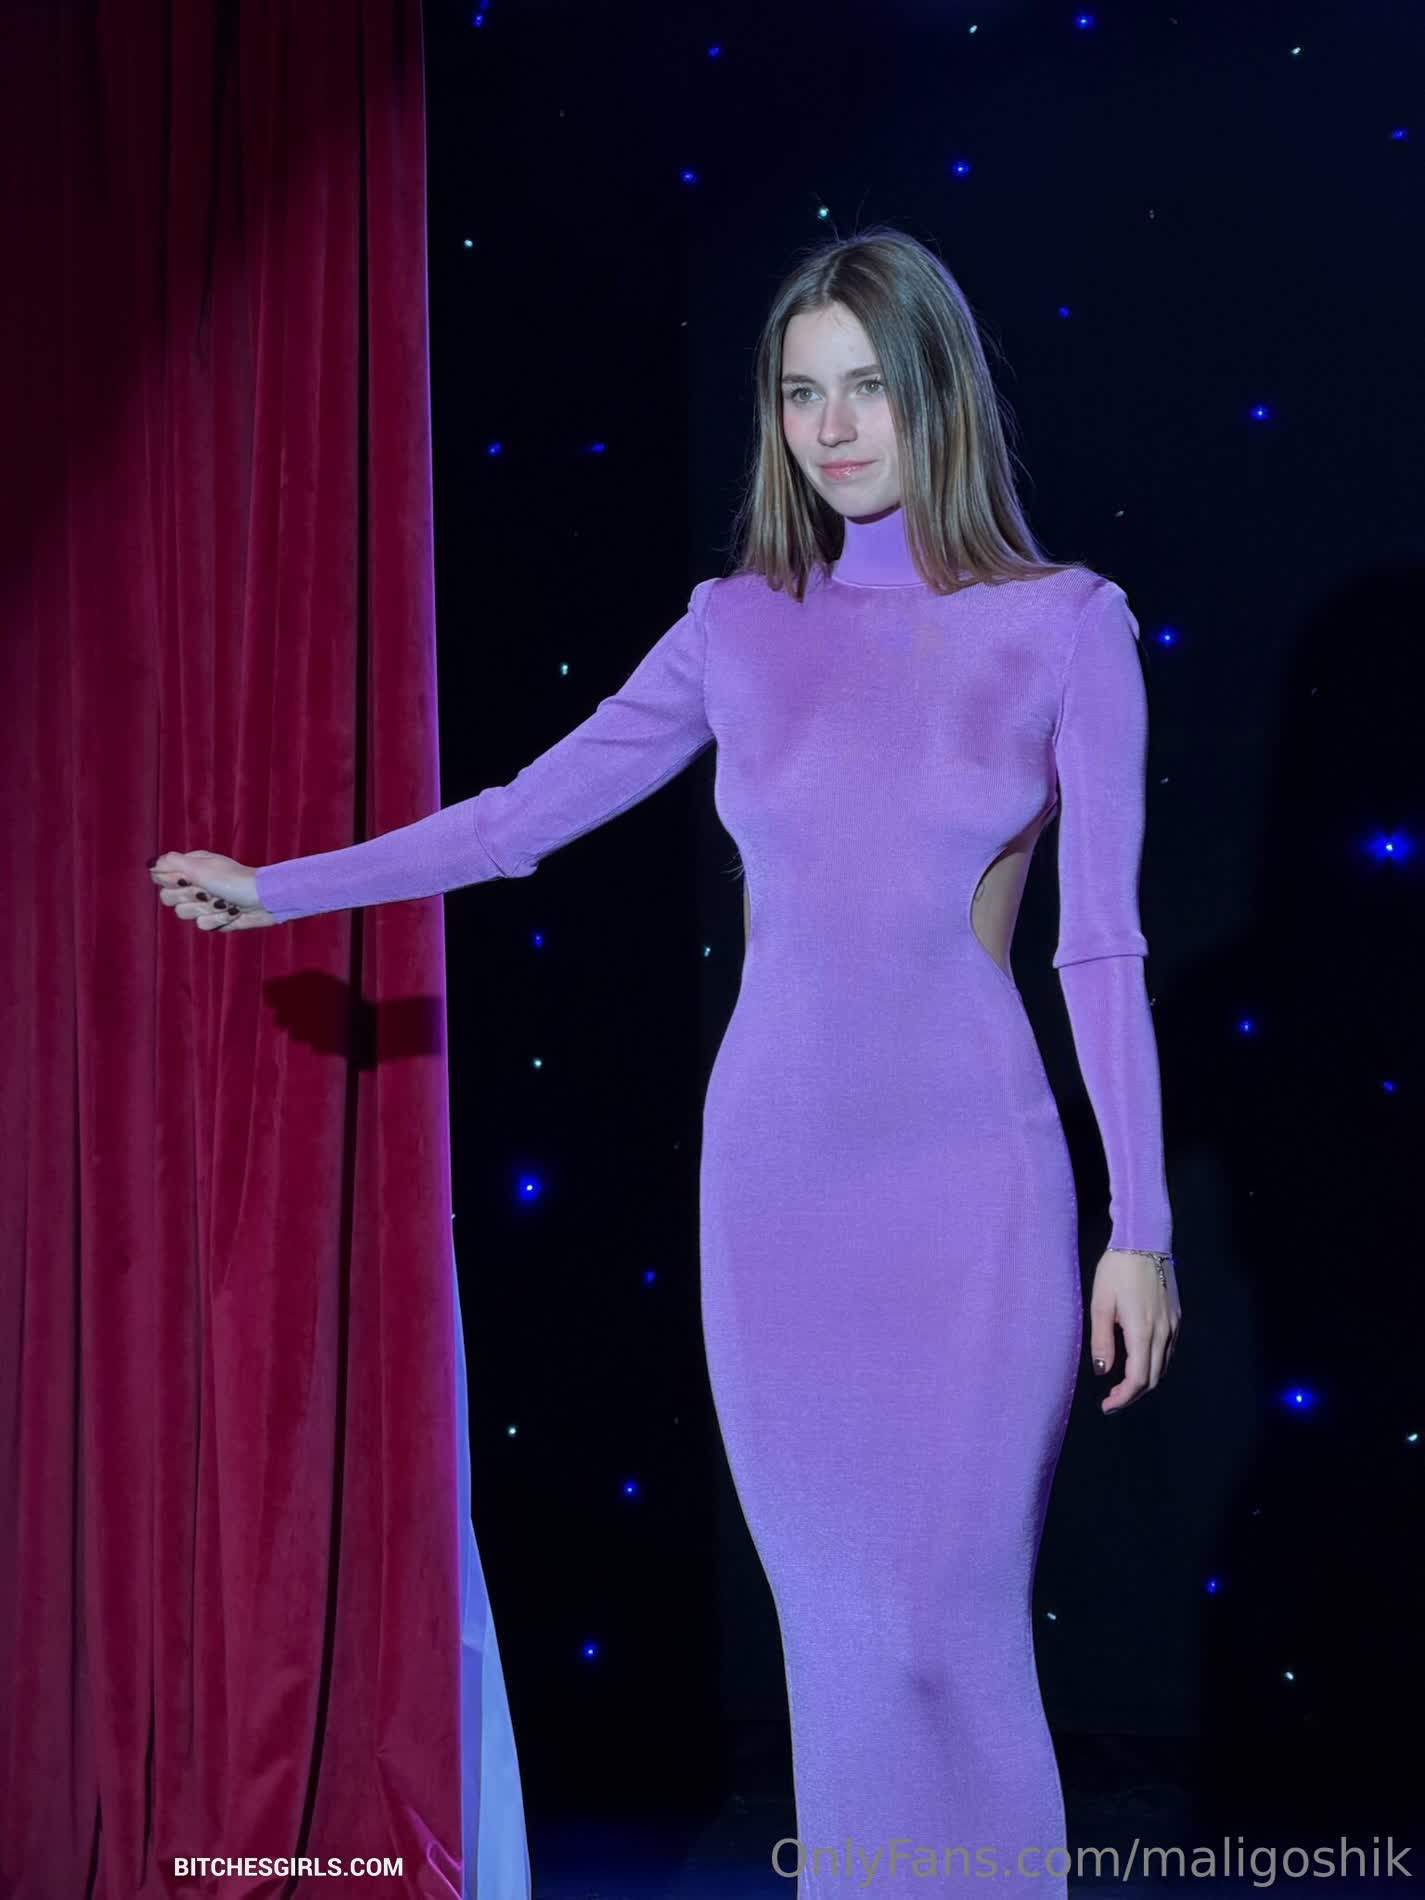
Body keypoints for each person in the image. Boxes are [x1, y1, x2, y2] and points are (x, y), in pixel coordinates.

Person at [149, 226, 1181, 1895]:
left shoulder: (1065, 626)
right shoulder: (733, 627)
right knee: (835, 1643)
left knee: (947, 1634)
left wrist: (1138, 1226)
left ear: (937, 395)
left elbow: (1100, 947)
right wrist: (281, 889)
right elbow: (517, 821)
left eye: (866, 387)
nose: (830, 427)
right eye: (798, 393)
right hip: (773, 1195)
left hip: (971, 1193)